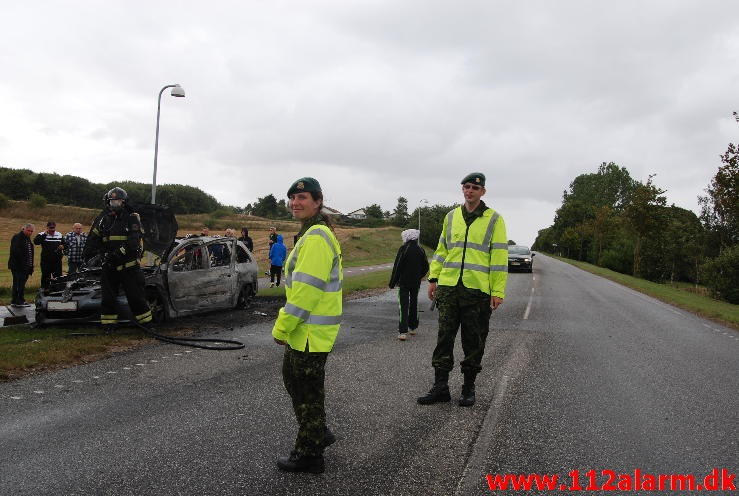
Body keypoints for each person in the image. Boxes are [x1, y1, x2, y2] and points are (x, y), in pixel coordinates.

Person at [418, 173, 508, 408]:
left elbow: (499, 257)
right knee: (444, 338)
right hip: (448, 288)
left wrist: (497, 291)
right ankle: (440, 387)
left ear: (482, 192)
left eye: (474, 188)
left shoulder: (494, 220)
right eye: (466, 187)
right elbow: (441, 249)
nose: (469, 191)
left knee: (474, 341)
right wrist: (434, 278)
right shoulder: (451, 217)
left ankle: (468, 387)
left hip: (477, 291)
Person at [272, 177, 343, 474]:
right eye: (292, 198)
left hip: (310, 331)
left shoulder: (315, 237)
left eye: (302, 197)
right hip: (307, 331)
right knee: (294, 380)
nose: (295, 203)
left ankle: (310, 454)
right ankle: (318, 431)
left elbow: (306, 291)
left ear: (317, 201)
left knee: (307, 390)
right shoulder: (311, 233)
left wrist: (282, 327)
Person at [83, 187, 152, 330]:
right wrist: (97, 255)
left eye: (118, 201)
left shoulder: (132, 218)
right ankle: (108, 325)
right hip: (109, 266)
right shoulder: (103, 220)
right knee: (108, 298)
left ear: (124, 202)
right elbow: (93, 240)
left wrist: (117, 254)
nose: (115, 204)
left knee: (136, 297)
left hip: (129, 266)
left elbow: (133, 241)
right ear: (108, 202)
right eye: (112, 201)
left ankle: (146, 324)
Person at [389, 229, 429, 341]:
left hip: (404, 283)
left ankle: (402, 332)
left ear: (406, 237)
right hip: (416, 282)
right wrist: (419, 276)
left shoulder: (403, 249)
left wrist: (392, 282)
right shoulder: (421, 249)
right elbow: (426, 267)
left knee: (403, 306)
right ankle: (413, 327)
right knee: (414, 303)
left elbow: (397, 267)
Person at [8, 223, 35, 306]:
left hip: (26, 267)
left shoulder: (27, 238)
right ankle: (18, 301)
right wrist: (23, 265)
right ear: (23, 229)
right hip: (18, 266)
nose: (30, 232)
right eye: (28, 230)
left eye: (31, 231)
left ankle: (17, 300)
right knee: (18, 283)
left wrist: (30, 266)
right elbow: (16, 252)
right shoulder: (17, 237)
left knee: (21, 283)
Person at [33, 221, 65, 289]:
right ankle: (45, 291)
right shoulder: (41, 234)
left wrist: (63, 246)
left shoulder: (59, 234)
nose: (52, 229)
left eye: (53, 228)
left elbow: (65, 244)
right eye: (51, 228)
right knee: (45, 276)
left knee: (58, 277)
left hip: (57, 261)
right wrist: (45, 234)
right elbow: (36, 242)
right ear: (47, 228)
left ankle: (57, 291)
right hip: (46, 261)